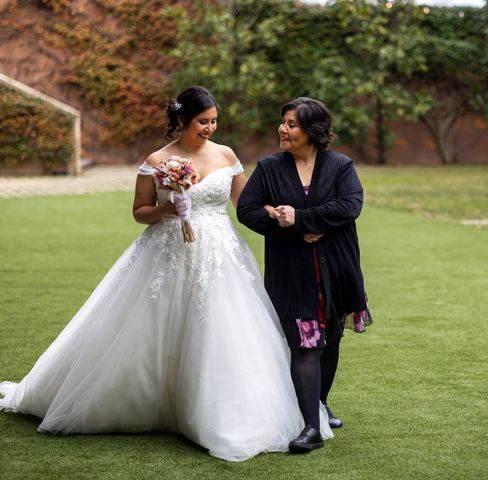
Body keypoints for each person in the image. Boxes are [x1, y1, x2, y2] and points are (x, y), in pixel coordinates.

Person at [0, 86, 332, 462]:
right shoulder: (158, 159)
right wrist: (170, 209)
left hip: (221, 253)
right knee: (152, 326)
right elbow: (140, 211)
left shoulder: (226, 155)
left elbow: (247, 205)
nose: (210, 128)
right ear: (181, 121)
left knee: (222, 327)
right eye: (202, 121)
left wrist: (285, 218)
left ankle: (218, 409)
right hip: (166, 249)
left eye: (214, 121)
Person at [237, 97, 372, 453]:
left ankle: (321, 404)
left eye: (292, 124)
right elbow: (247, 210)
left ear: (312, 131)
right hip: (292, 272)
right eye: (282, 122)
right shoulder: (269, 168)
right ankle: (310, 426)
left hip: (338, 269)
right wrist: (290, 228)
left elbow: (350, 205)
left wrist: (300, 217)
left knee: (330, 340)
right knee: (304, 345)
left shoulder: (341, 165)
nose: (283, 129)